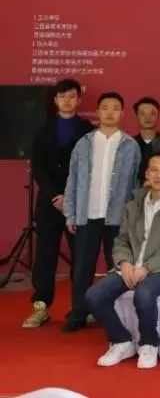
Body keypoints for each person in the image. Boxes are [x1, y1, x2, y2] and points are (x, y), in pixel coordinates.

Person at [85, 153, 160, 368]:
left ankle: (149, 343)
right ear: (147, 174)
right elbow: (122, 239)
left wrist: (147, 267)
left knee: (144, 294)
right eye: (154, 170)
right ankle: (121, 340)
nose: (159, 175)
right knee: (94, 296)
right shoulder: (134, 203)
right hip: (131, 265)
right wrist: (124, 262)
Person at [62, 92, 141, 333]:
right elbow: (73, 179)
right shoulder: (84, 143)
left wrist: (134, 218)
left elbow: (136, 184)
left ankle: (115, 316)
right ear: (97, 112)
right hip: (87, 215)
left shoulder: (130, 145)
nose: (109, 112)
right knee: (82, 268)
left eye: (115, 108)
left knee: (117, 268)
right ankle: (78, 314)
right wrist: (70, 213)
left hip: (119, 217)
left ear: (122, 113)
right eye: (105, 107)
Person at [24, 78, 94, 328]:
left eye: (72, 96)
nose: (67, 101)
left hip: (79, 202)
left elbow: (89, 167)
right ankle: (41, 306)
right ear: (55, 100)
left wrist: (70, 196)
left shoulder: (88, 130)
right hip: (49, 203)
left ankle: (82, 308)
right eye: (62, 96)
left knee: (81, 256)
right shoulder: (43, 130)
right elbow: (39, 168)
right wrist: (56, 195)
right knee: (46, 254)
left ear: (79, 100)